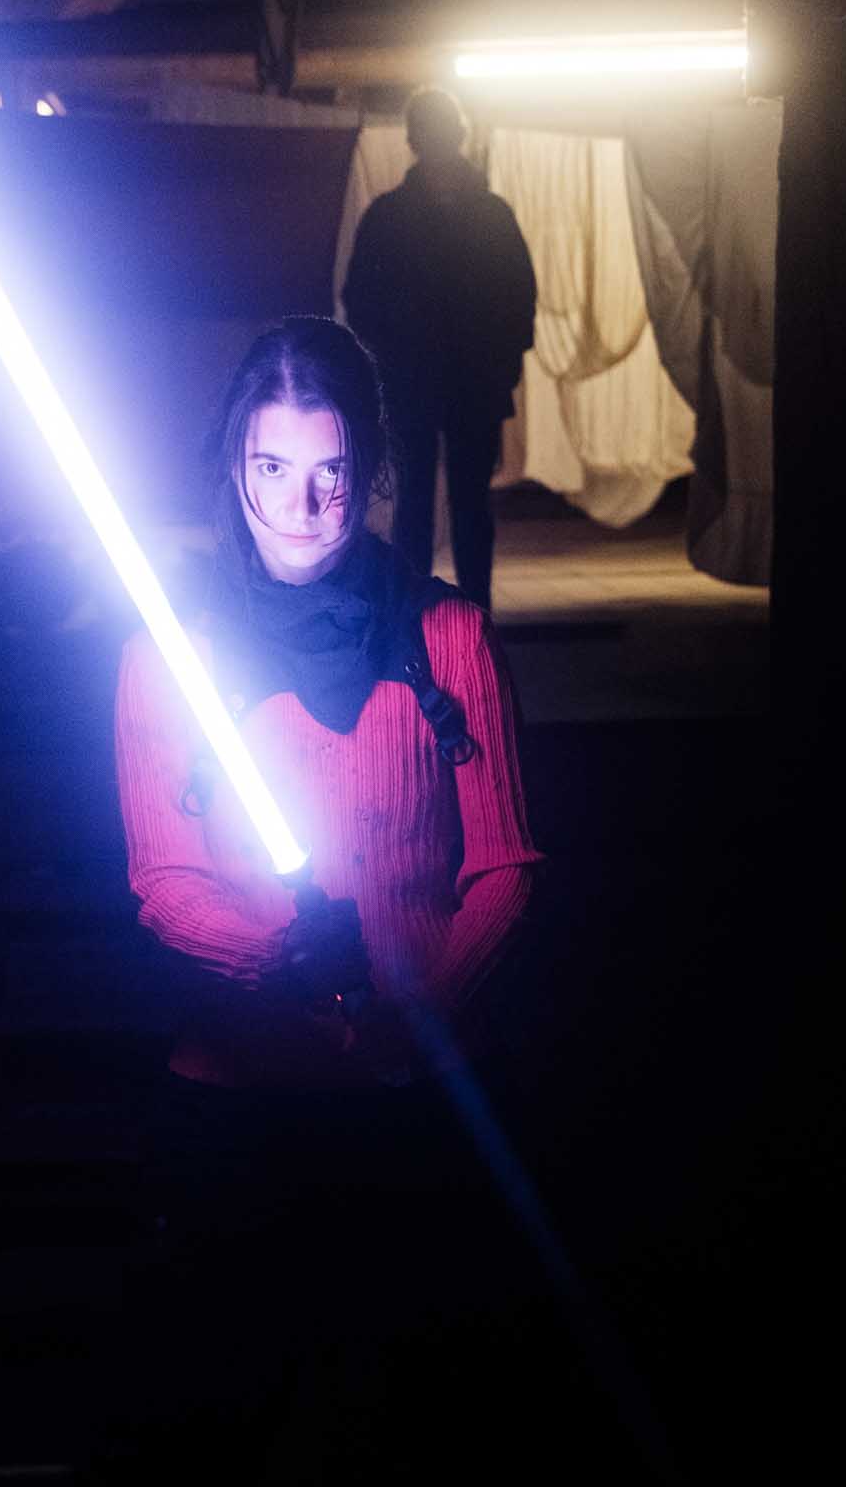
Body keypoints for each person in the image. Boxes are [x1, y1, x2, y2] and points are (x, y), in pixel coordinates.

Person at [113, 316, 542, 1481]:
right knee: (233, 1424)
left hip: (426, 1099)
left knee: (423, 1427)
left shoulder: (447, 634)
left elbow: (506, 861)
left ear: (372, 472)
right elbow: (162, 878)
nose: (301, 506)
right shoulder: (172, 654)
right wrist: (277, 964)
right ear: (233, 471)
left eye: (330, 472)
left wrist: (420, 1010)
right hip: (241, 1106)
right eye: (270, 470)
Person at [342, 85, 537, 610]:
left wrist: (500, 362)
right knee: (432, 504)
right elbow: (361, 299)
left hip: (454, 380)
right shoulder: (466, 216)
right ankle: (430, 611)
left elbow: (518, 298)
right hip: (430, 381)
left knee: (458, 502)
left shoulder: (410, 217)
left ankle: (458, 611)